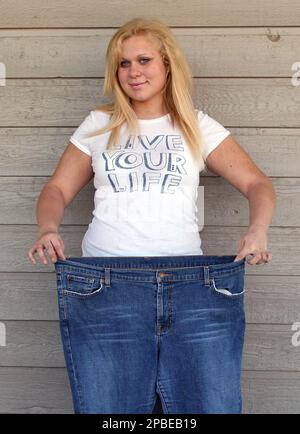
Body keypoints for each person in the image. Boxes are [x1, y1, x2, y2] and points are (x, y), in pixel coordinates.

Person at [27, 17, 276, 414]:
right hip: (106, 284)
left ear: (167, 65)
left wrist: (257, 230)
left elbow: (258, 184)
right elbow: (56, 189)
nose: (133, 72)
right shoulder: (99, 124)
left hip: (190, 285)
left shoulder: (195, 125)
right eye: (122, 64)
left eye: (143, 60)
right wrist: (48, 227)